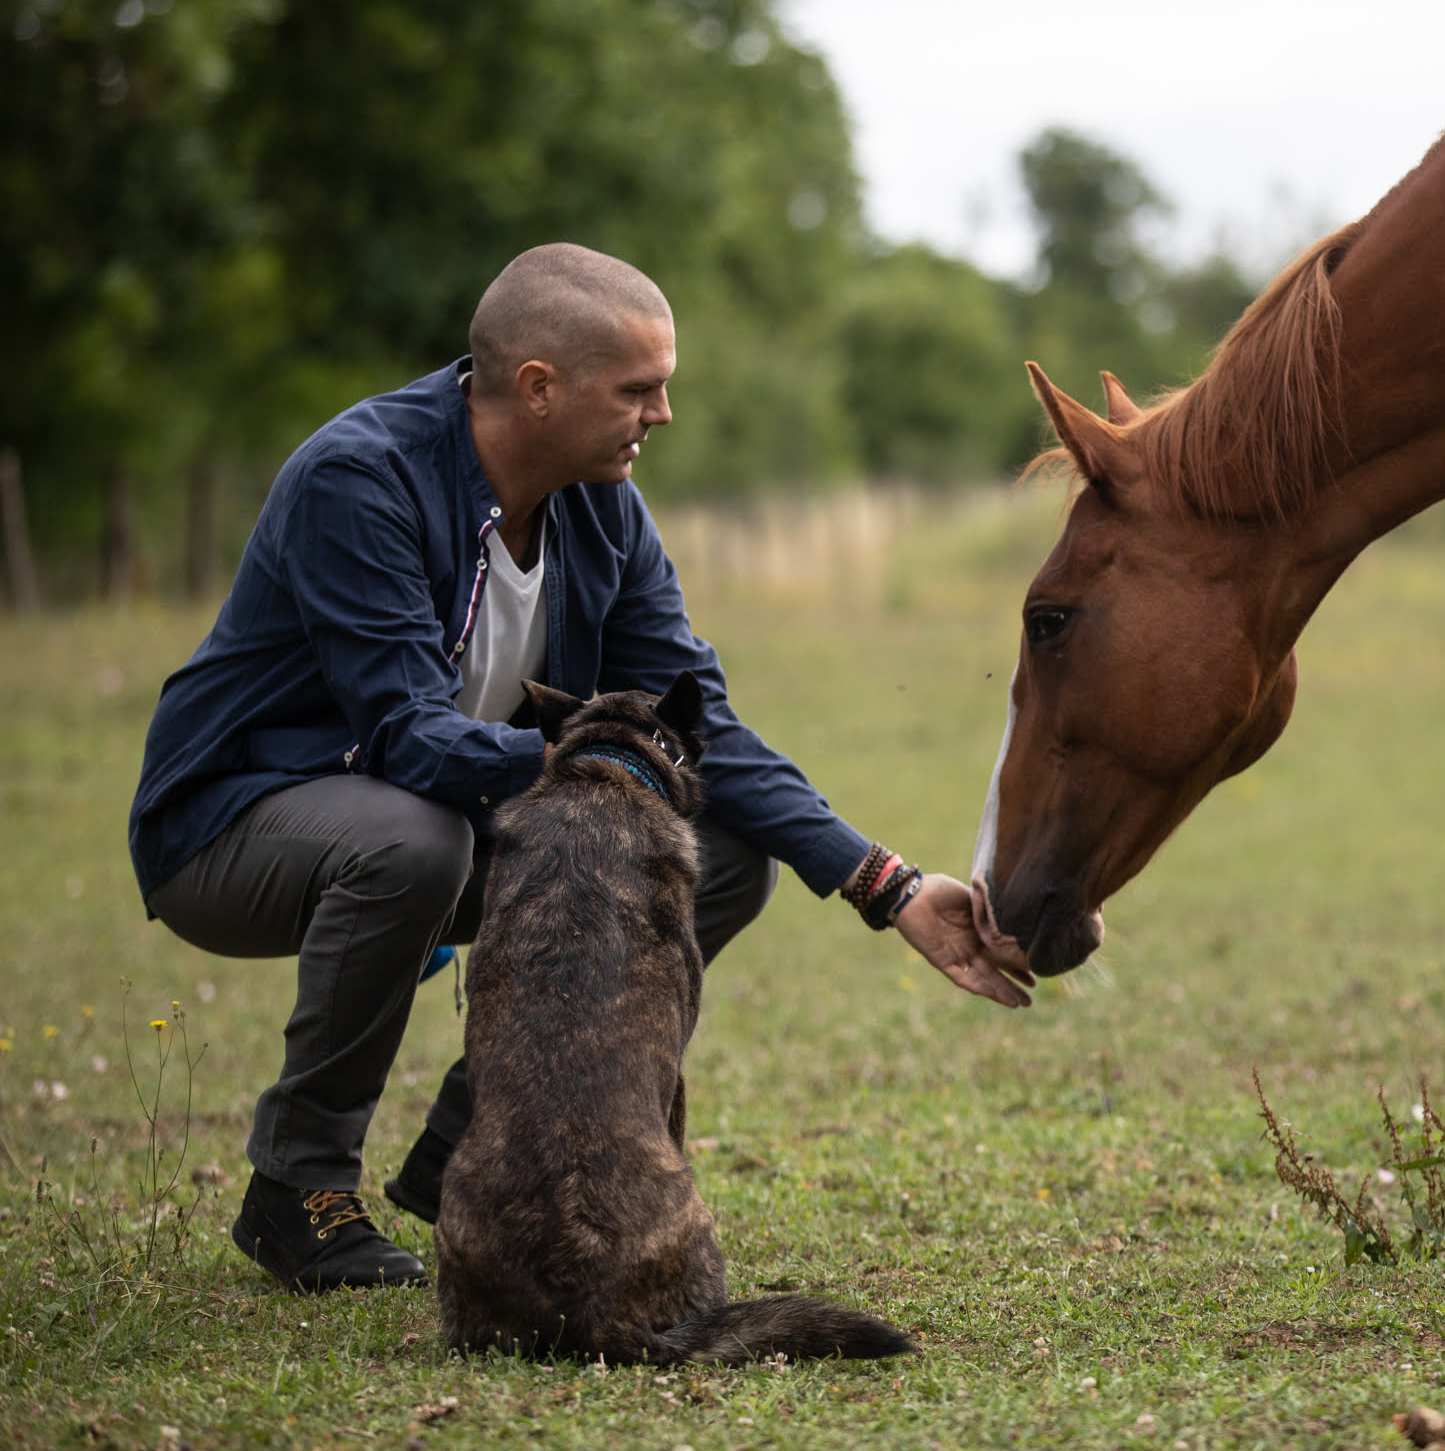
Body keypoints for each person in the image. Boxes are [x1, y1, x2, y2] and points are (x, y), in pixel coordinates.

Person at [128, 243, 1033, 1293]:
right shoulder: (359, 479)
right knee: (416, 840)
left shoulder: (601, 502)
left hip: (453, 825)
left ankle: (475, 1155)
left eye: (665, 387)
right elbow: (408, 739)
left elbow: (701, 733)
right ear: (539, 388)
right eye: (639, 389)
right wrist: (611, 762)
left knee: (722, 853)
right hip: (238, 824)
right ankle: (300, 1190)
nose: (662, 414)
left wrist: (888, 884)